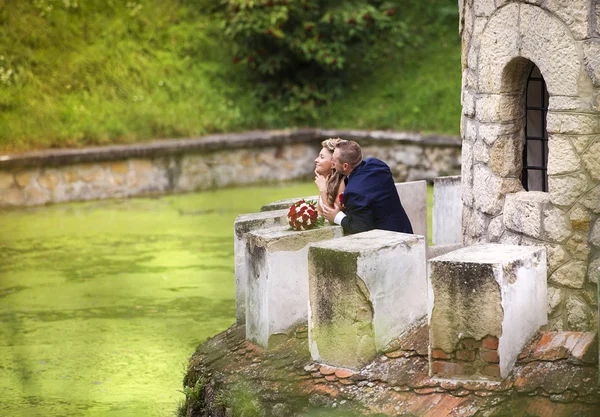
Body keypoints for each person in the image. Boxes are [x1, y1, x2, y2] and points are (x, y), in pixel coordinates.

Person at [321, 140, 413, 235]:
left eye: (334, 160)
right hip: (405, 229)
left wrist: (337, 216)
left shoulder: (353, 192)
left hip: (390, 240)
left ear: (345, 166)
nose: (332, 162)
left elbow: (361, 228)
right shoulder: (377, 165)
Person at [314, 138, 346, 216]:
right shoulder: (327, 180)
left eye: (322, 157)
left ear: (333, 164)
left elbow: (333, 217)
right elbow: (319, 211)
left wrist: (323, 190)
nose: (316, 160)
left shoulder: (342, 183)